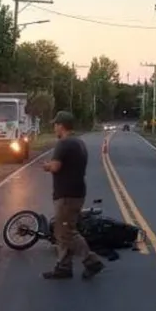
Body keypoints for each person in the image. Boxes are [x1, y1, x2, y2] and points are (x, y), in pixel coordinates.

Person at [41, 111, 105, 280]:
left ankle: (91, 260)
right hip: (77, 192)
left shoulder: (63, 144)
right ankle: (64, 266)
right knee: (62, 231)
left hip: (66, 195)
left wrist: (46, 166)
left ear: (61, 126)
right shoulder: (79, 143)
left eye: (55, 124)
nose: (54, 127)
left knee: (67, 232)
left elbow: (55, 167)